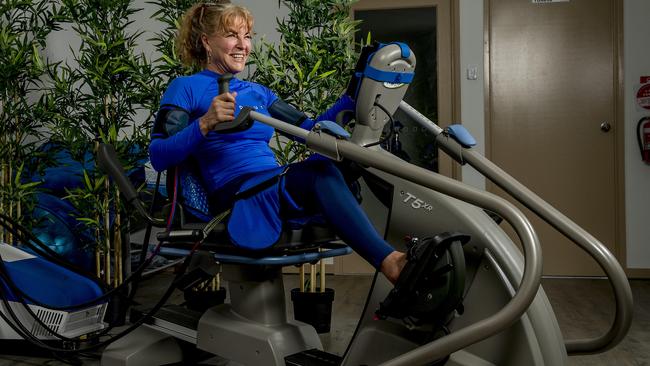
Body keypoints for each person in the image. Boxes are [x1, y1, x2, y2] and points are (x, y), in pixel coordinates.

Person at [149, 1, 409, 284]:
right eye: (232, 35)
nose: (242, 45)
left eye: (246, 36)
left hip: (271, 182)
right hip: (235, 191)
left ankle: (411, 247)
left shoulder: (258, 92)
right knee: (317, 174)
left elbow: (308, 130)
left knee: (349, 165)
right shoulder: (185, 87)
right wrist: (205, 122)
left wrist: (351, 97)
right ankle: (390, 262)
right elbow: (160, 155)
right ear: (206, 41)